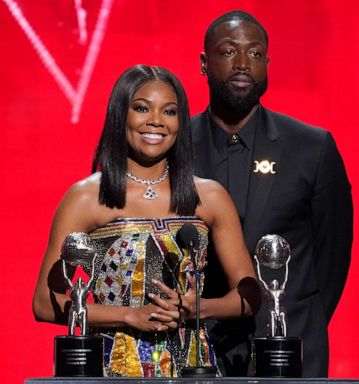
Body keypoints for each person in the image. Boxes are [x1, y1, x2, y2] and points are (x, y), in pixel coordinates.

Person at [33, 64, 260, 378]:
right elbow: (45, 303)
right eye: (142, 108)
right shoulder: (86, 198)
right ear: (120, 115)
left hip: (194, 370)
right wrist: (128, 316)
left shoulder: (209, 197)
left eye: (169, 111)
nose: (156, 121)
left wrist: (198, 308)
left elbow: (250, 296)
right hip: (111, 370)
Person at [191, 10, 353, 377]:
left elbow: (332, 256)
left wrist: (295, 320)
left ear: (267, 62)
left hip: (291, 347)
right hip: (196, 352)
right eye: (229, 52)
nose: (244, 63)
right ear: (204, 63)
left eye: (255, 53)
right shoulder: (177, 146)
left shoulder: (311, 148)